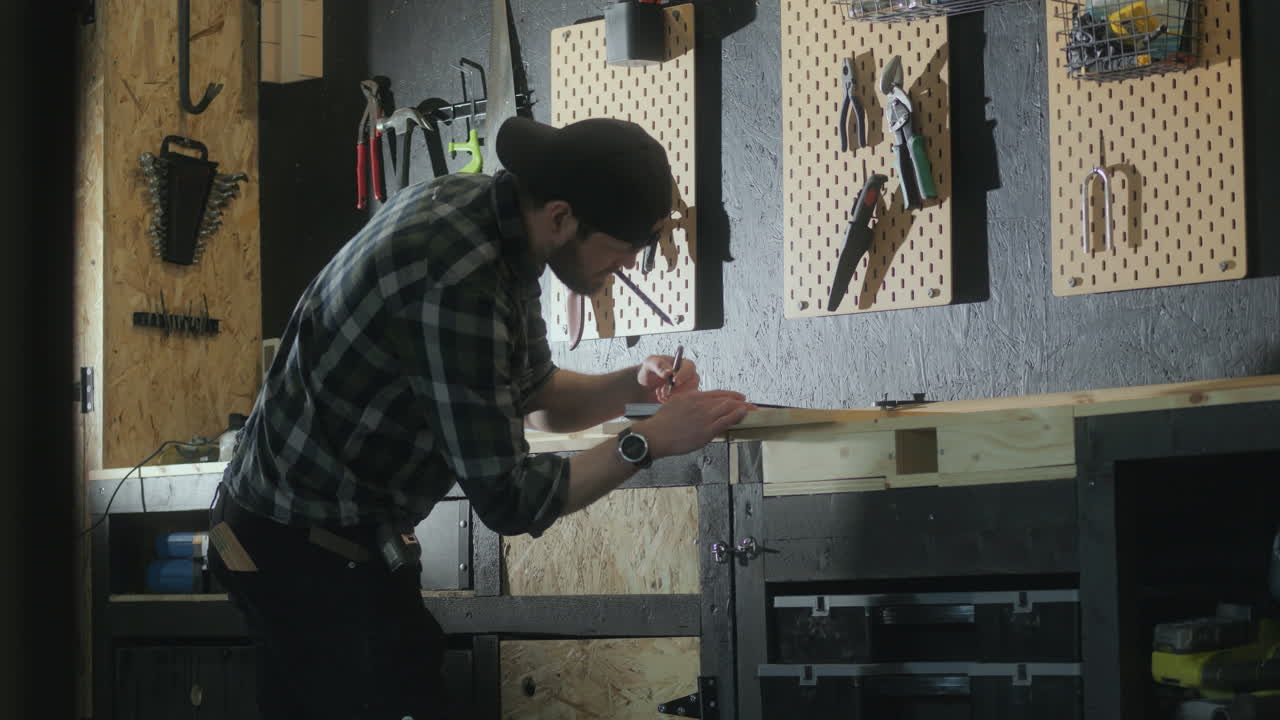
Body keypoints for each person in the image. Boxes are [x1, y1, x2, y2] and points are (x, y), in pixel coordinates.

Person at [207, 115, 753, 719]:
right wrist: (643, 443)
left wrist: (633, 387)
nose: (623, 269)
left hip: (330, 536)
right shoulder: (457, 274)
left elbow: (534, 397)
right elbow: (510, 502)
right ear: (563, 217)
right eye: (621, 251)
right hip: (295, 545)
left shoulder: (496, 230)